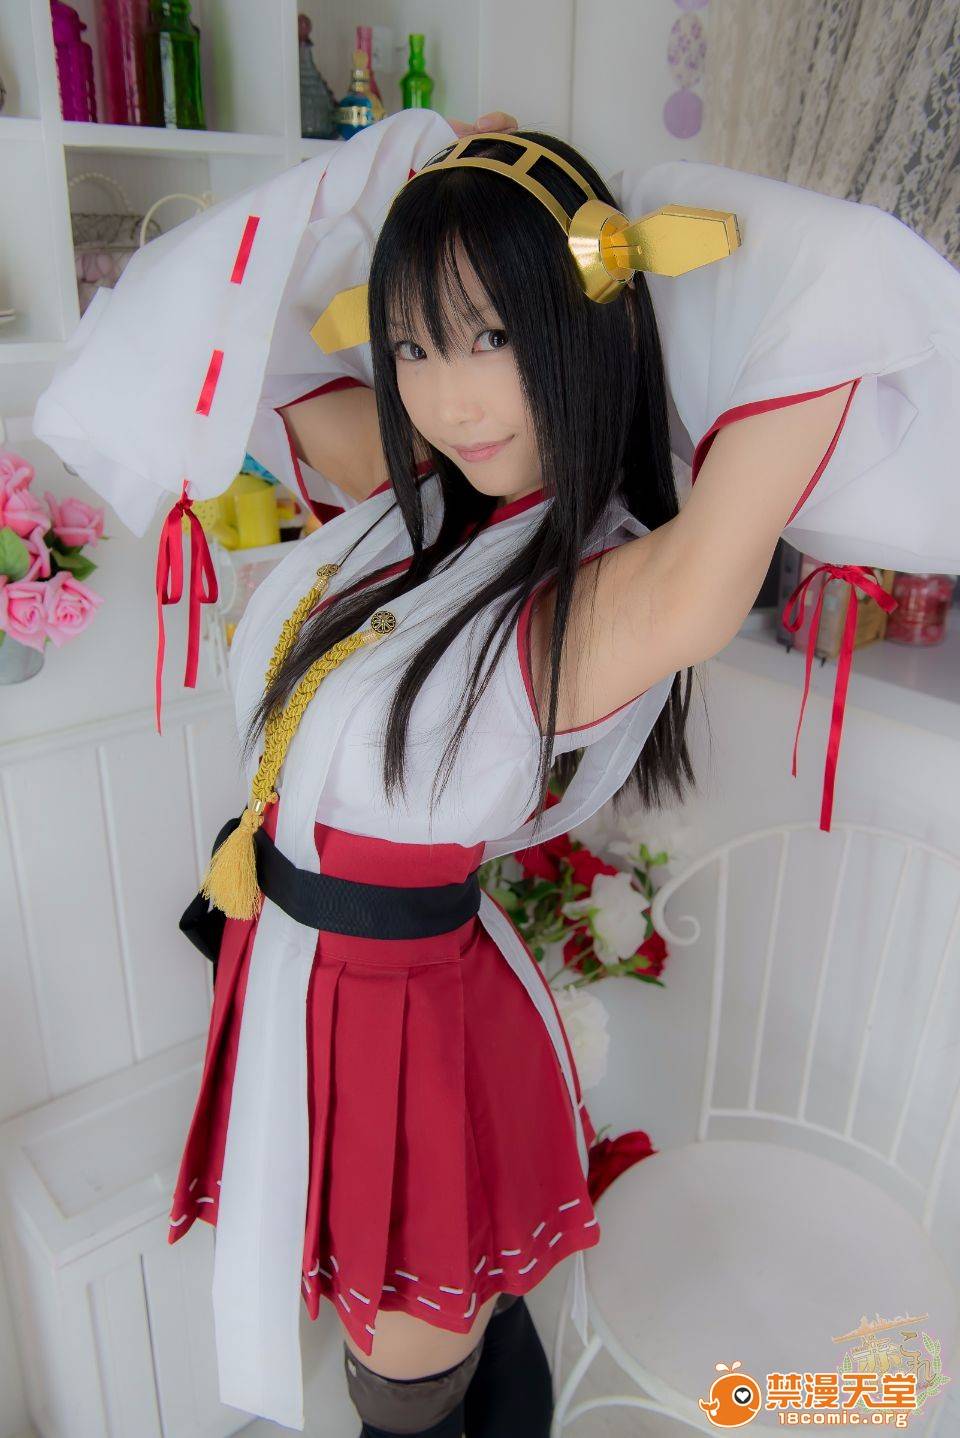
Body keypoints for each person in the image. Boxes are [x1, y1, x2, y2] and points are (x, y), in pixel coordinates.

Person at [32, 106, 960, 1437]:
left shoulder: (607, 590)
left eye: (493, 334)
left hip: (403, 1018)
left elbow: (853, 281)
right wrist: (402, 157)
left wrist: (617, 222)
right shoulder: (413, 503)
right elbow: (238, 325)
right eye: (413, 343)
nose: (447, 394)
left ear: (585, 325)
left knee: (402, 1384)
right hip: (298, 975)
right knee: (444, 1325)